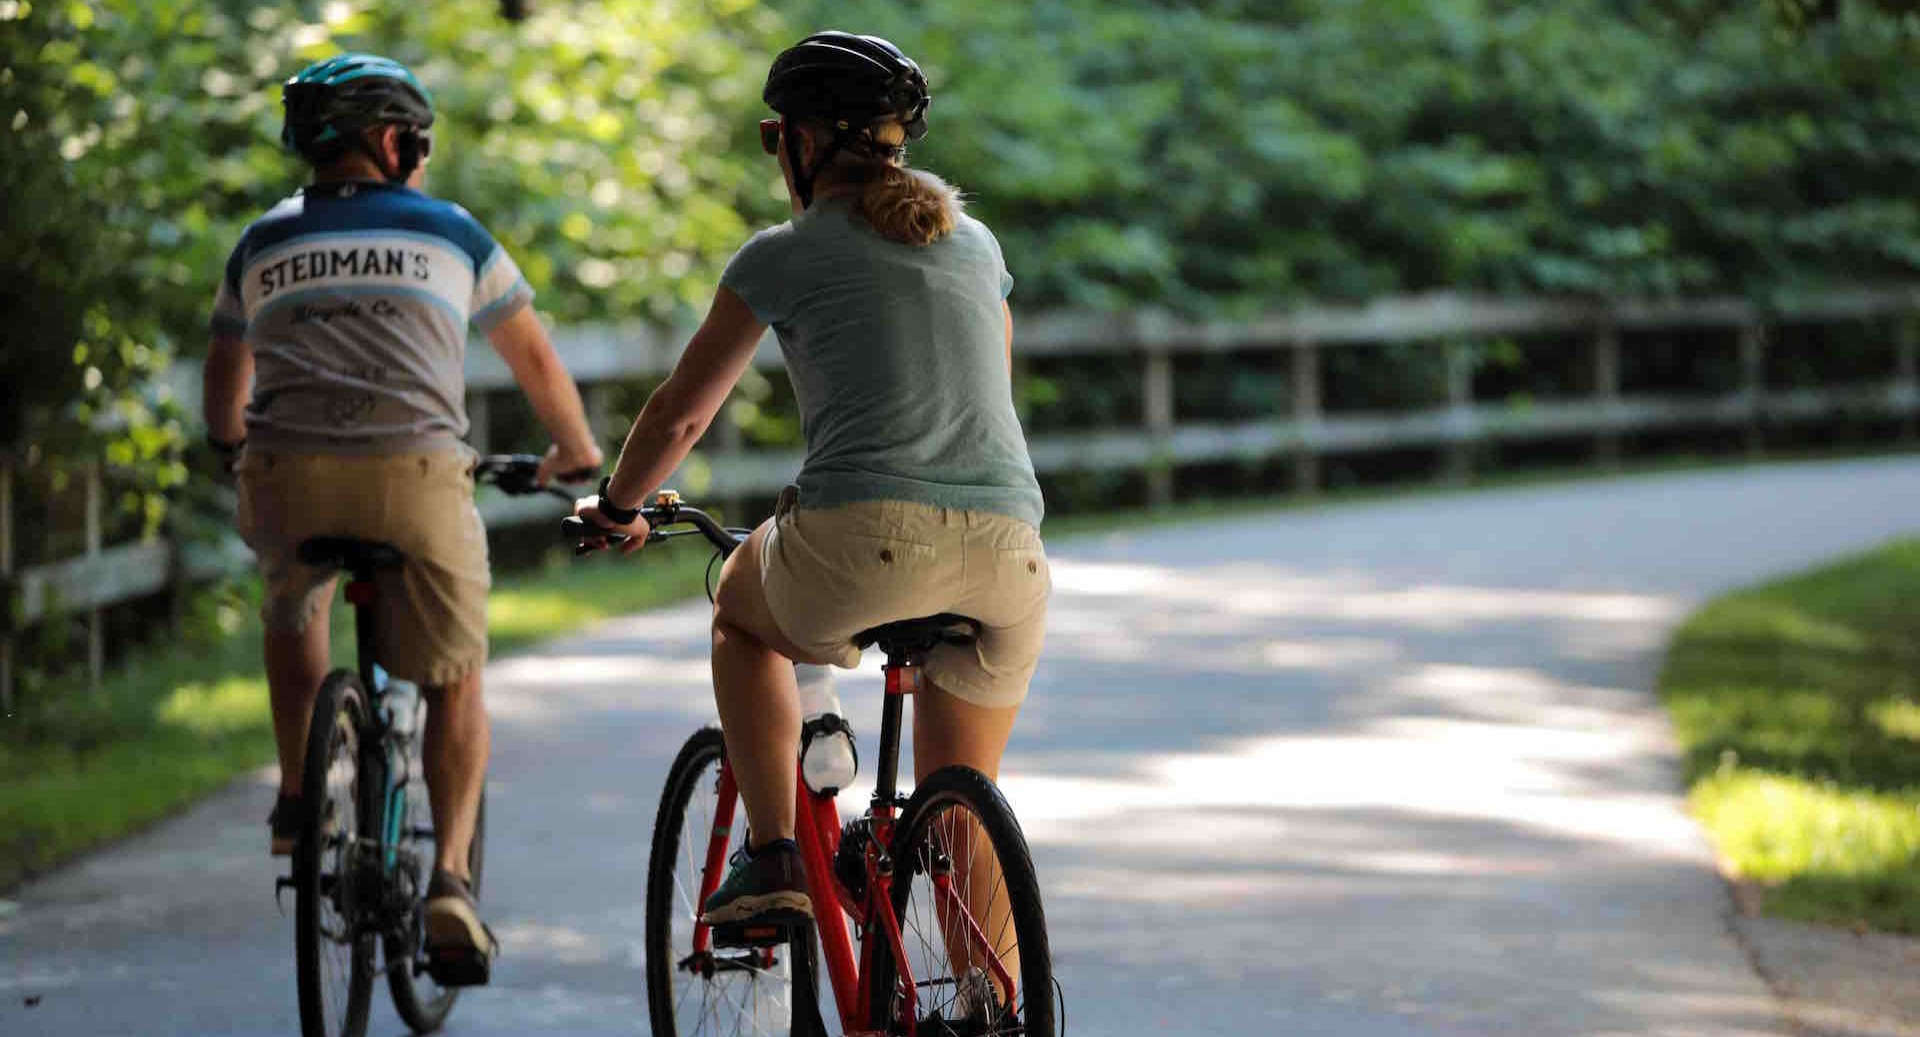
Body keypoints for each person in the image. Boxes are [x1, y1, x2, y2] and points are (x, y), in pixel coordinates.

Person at [573, 30, 1049, 980]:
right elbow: (983, 388)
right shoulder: (976, 243)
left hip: (864, 539)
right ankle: (991, 1005)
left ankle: (773, 853)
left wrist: (619, 504)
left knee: (737, 613)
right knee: (961, 822)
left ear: (800, 142)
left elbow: (680, 414)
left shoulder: (783, 253)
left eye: (774, 137)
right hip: (1011, 554)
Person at [203, 53, 603, 982]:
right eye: (417, 144)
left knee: (291, 603)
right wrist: (577, 454)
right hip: (414, 477)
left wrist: (231, 449)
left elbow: (225, 378)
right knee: (456, 676)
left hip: (287, 476)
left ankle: (298, 795)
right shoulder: (451, 231)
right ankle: (451, 880)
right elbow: (537, 362)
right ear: (390, 142)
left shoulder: (261, 242)